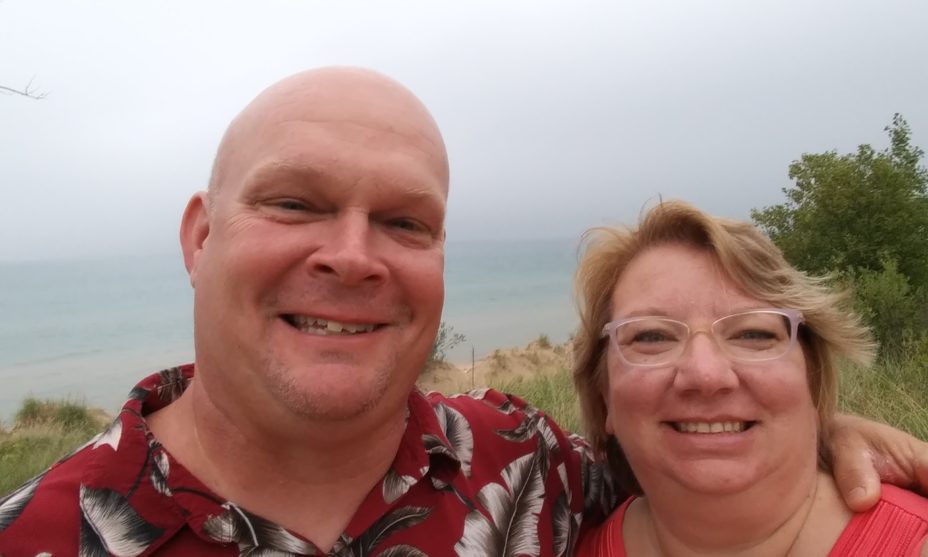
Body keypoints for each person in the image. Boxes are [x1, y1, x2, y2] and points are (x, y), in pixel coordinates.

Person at [0, 68, 925, 556]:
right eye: (294, 203)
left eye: (404, 221)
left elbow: (694, 457)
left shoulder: (526, 464)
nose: (352, 255)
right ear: (201, 237)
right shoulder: (37, 536)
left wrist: (815, 432)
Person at [572, 201, 928, 556]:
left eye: (753, 334)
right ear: (604, 394)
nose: (706, 374)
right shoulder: (573, 542)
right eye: (652, 337)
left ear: (812, 379)